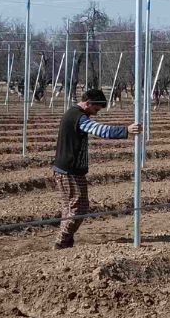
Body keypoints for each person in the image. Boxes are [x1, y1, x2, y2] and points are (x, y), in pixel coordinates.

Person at [51, 88, 141, 249]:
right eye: (95, 109)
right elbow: (99, 130)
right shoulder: (78, 117)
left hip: (68, 169)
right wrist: (125, 130)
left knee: (71, 207)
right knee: (79, 207)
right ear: (88, 103)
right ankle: (61, 241)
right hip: (69, 171)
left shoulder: (73, 114)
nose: (96, 113)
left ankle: (66, 241)